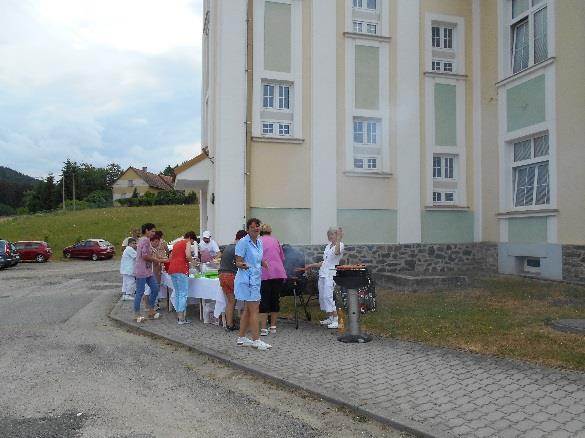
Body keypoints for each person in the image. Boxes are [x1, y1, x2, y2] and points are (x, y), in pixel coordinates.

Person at [235, 218, 271, 350]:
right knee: (254, 309)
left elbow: (257, 259)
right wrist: (242, 265)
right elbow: (237, 261)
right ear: (248, 229)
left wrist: (263, 263)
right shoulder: (243, 242)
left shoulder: (259, 242)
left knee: (248, 310)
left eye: (258, 227)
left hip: (256, 279)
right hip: (247, 280)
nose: (256, 229)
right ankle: (256, 340)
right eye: (253, 227)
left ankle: (241, 338)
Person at [305, 227, 344, 329]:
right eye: (329, 235)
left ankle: (337, 320)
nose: (331, 236)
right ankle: (330, 317)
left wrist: (339, 238)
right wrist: (311, 265)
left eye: (333, 234)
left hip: (331, 274)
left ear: (337, 235)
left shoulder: (340, 245)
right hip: (323, 273)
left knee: (328, 296)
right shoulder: (327, 246)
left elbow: (336, 253)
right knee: (322, 296)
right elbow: (324, 262)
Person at [134, 223, 168, 323]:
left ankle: (151, 310)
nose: (154, 233)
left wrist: (158, 259)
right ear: (147, 231)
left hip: (148, 270)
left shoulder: (146, 240)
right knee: (140, 293)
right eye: (152, 231)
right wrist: (156, 260)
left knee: (155, 288)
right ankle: (136, 314)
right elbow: (144, 256)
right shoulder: (144, 240)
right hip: (141, 270)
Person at [259, 224, 286, 336]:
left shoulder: (258, 241)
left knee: (264, 300)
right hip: (278, 273)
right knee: (275, 299)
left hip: (265, 273)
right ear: (270, 231)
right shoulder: (276, 241)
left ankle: (264, 329)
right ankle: (273, 327)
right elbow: (282, 258)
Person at [219, 230, 247, 331]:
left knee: (231, 301)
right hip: (231, 276)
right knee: (246, 300)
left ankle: (229, 325)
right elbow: (241, 263)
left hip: (222, 275)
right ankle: (245, 323)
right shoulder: (238, 248)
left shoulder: (228, 247)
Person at [167, 231, 197, 325]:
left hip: (172, 269)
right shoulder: (187, 242)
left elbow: (171, 256)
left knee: (178, 293)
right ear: (190, 238)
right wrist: (192, 262)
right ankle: (181, 318)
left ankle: (179, 316)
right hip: (181, 269)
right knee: (183, 293)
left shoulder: (176, 244)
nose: (191, 243)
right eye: (192, 241)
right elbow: (188, 255)